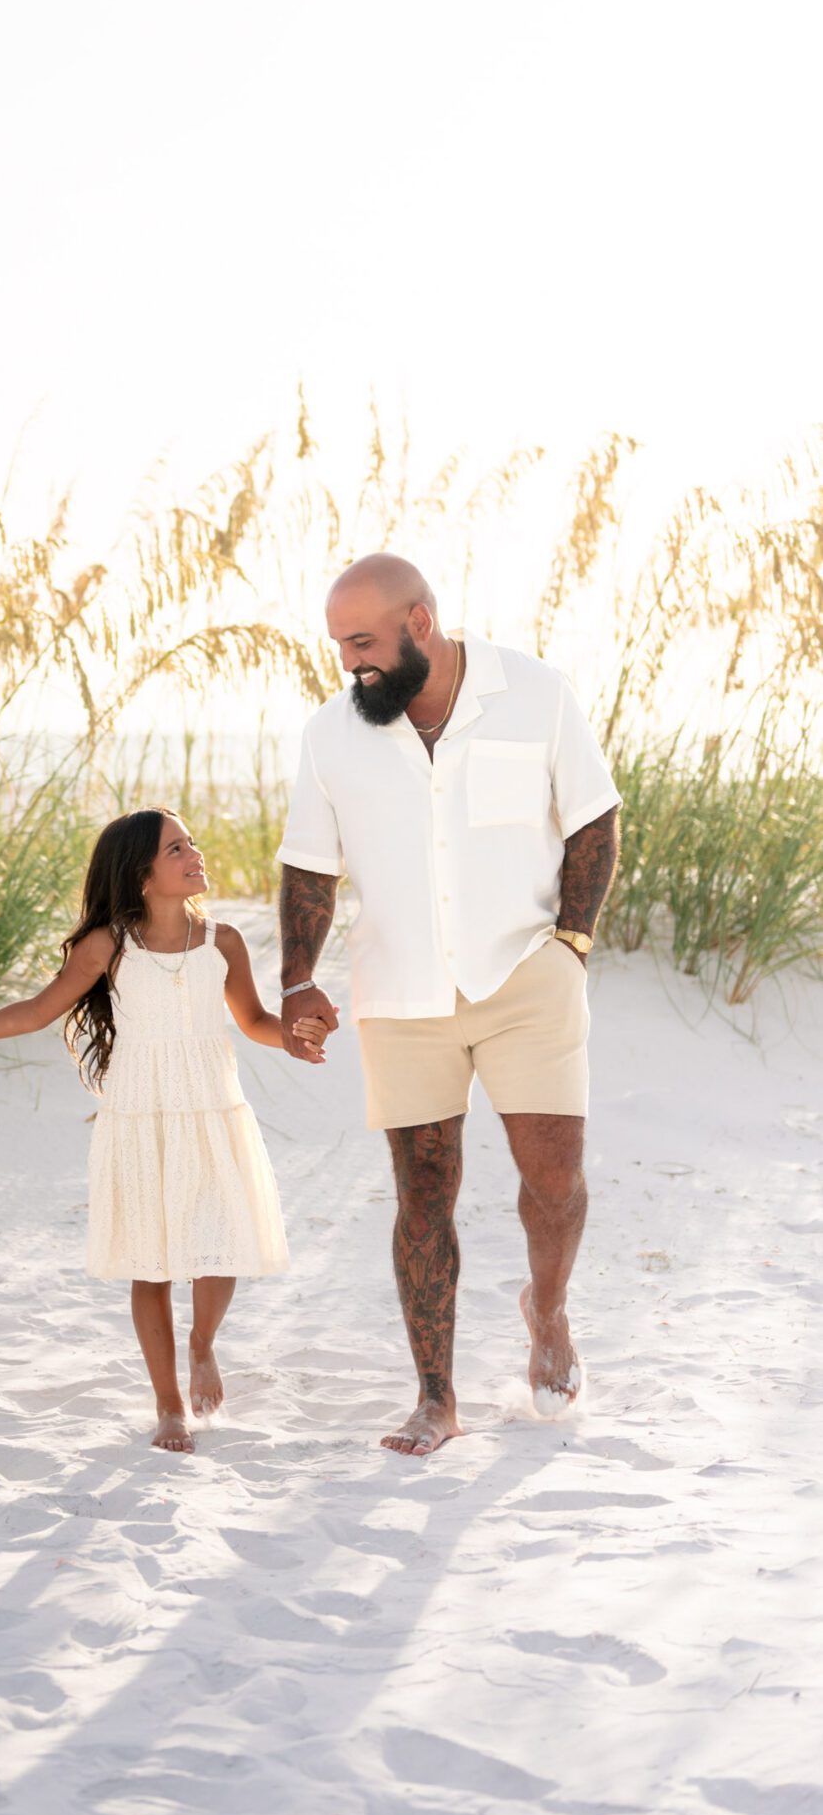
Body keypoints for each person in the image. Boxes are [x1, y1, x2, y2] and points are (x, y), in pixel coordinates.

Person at [277, 556, 621, 1457]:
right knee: (421, 1194)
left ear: (419, 622)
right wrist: (296, 978)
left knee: (553, 1181)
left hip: (525, 979)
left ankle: (546, 1310)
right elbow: (309, 866)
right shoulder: (330, 735)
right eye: (339, 647)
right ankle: (436, 1397)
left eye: (362, 643)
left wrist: (573, 945)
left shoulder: (536, 693)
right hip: (400, 995)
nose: (350, 665)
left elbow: (593, 818)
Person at [0, 809, 323, 1453]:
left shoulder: (223, 941)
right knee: (150, 1266)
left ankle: (202, 1343)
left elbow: (255, 1019)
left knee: (223, 1244)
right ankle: (168, 1405)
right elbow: (40, 1010)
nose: (194, 853)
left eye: (192, 842)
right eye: (175, 848)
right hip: (140, 1118)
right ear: (142, 875)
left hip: (212, 1109)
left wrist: (294, 1040)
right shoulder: (108, 945)